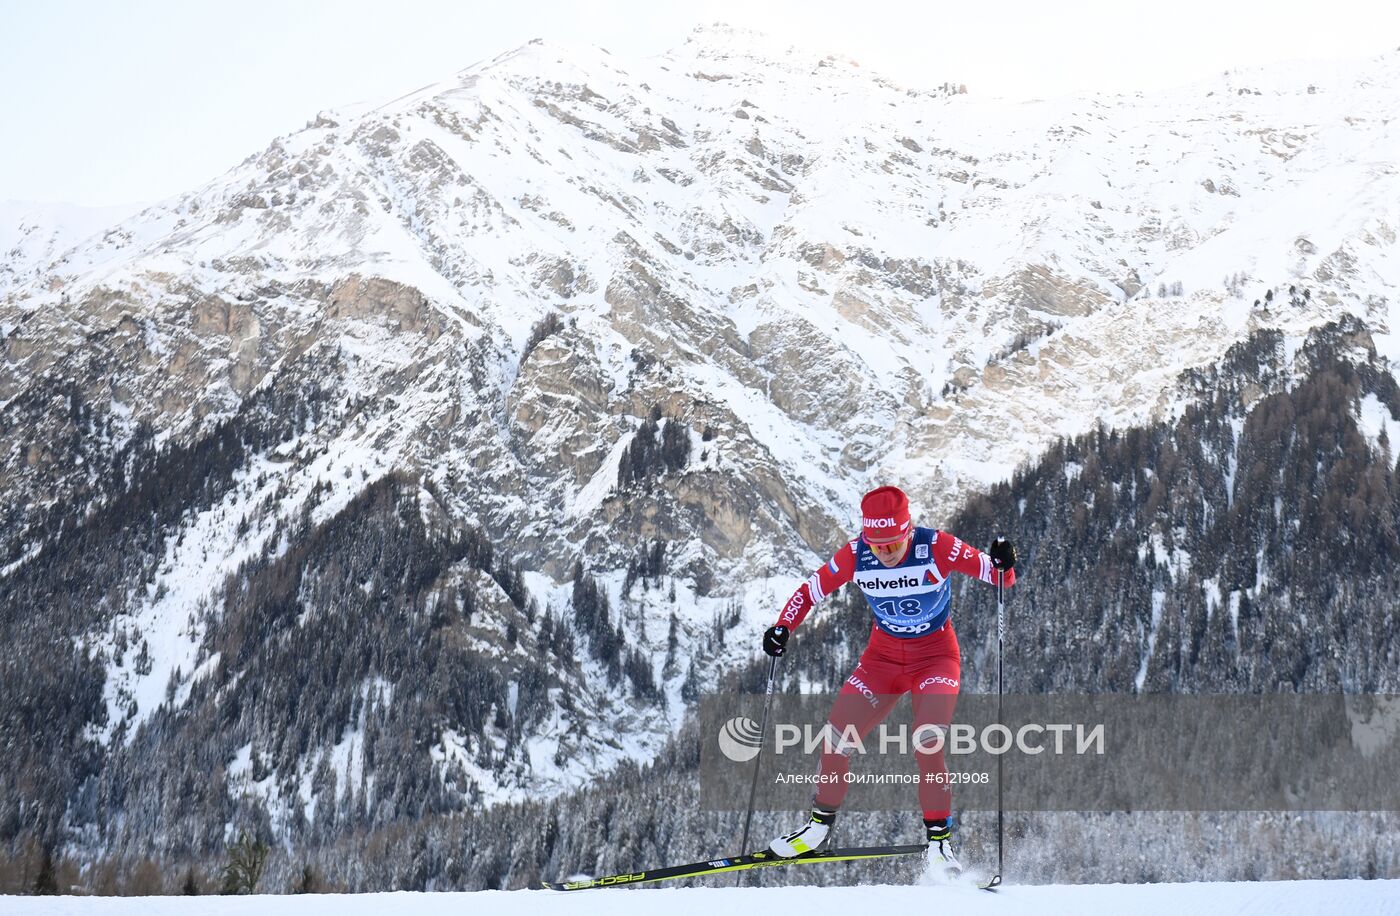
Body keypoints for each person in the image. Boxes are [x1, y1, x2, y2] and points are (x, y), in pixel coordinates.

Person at [761, 485, 1016, 875]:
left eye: (892, 544)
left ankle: (940, 846)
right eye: (876, 545)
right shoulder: (856, 555)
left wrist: (1003, 563)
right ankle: (817, 829)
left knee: (927, 741)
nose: (885, 552)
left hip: (935, 659)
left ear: (907, 531)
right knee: (835, 737)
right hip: (881, 660)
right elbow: (811, 591)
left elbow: (1000, 577)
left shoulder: (937, 546)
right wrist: (783, 627)